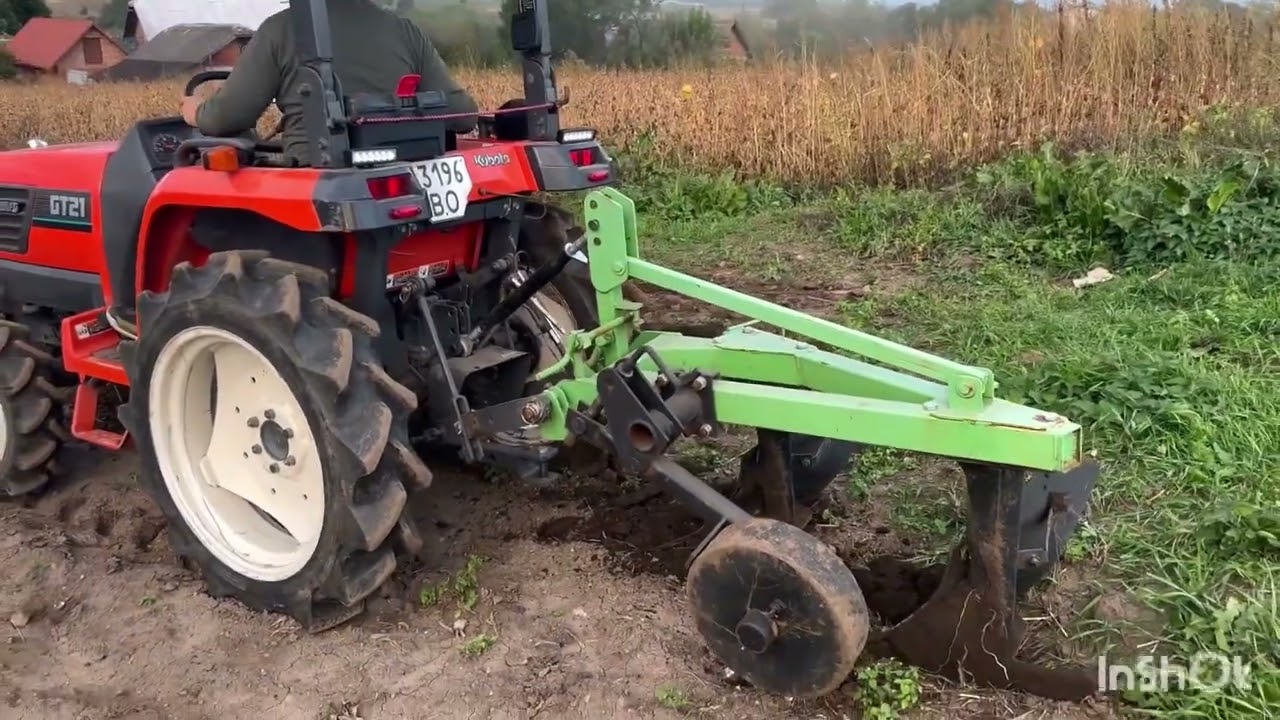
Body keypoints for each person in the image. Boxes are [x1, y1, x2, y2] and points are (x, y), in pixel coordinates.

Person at [107, 0, 478, 338]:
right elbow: (463, 114)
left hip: (312, 185)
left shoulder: (284, 29)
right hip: (392, 173)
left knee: (198, 213)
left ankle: (139, 310)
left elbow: (226, 118)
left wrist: (195, 111)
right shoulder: (404, 32)